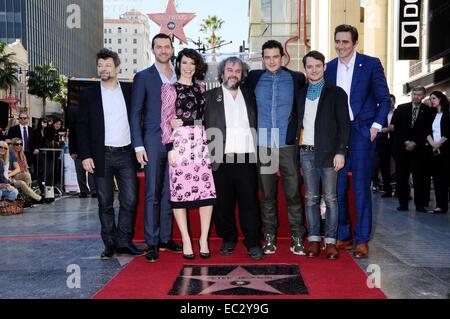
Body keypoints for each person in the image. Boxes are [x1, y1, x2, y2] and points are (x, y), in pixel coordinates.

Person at [325, 24, 390, 259]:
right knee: (337, 188)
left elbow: (384, 99)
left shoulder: (371, 64)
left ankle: (362, 240)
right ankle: (344, 235)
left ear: (354, 43)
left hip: (362, 133)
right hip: (336, 137)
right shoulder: (328, 68)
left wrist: (375, 127)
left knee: (362, 188)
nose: (340, 46)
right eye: (337, 41)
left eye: (345, 42)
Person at [77, 48, 143, 259]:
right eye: (100, 65)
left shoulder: (130, 90)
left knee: (130, 200)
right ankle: (109, 243)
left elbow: (140, 118)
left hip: (126, 154)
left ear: (117, 67)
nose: (103, 69)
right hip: (101, 155)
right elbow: (81, 126)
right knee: (104, 202)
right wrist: (85, 155)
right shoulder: (89, 94)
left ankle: (124, 241)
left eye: (107, 65)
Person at [287, 51, 350, 260]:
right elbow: (296, 122)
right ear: (305, 69)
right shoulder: (301, 93)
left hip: (330, 154)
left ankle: (330, 242)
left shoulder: (337, 93)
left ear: (324, 67)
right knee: (311, 198)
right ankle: (314, 239)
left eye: (317, 66)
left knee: (331, 199)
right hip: (306, 153)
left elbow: (344, 125)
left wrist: (341, 151)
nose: (313, 70)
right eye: (309, 66)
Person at [246, 40, 307, 256]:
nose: (271, 61)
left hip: (287, 143)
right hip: (263, 142)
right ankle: (269, 236)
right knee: (268, 194)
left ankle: (297, 236)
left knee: (293, 194)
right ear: (263, 58)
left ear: (283, 57)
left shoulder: (296, 79)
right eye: (267, 57)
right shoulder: (253, 78)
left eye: (275, 57)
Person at [204, 56, 264, 260]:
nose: (233, 74)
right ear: (222, 73)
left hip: (246, 157)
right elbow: (197, 123)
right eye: (229, 70)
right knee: (224, 203)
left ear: (242, 74)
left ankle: (253, 242)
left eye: (237, 71)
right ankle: (228, 239)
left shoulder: (249, 95)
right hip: (220, 157)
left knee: (249, 202)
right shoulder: (210, 96)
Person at [130, 33, 182, 263]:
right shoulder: (143, 77)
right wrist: (138, 145)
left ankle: (164, 237)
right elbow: (135, 114)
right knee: (152, 192)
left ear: (172, 49)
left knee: (170, 192)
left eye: (166, 47)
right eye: (159, 47)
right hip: (152, 140)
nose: (163, 50)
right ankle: (151, 242)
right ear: (153, 50)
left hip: (177, 142)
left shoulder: (179, 76)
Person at [161, 49, 216, 260]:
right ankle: (185, 239)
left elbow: (208, 117)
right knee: (179, 193)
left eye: (192, 63)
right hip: (180, 142)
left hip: (201, 142)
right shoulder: (169, 88)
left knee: (206, 192)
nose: (188, 67)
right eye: (185, 62)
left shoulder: (202, 88)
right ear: (178, 64)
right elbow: (164, 120)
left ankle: (203, 239)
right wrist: (170, 148)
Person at [391, 86, 431, 213]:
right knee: (402, 178)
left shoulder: (428, 111)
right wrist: (406, 141)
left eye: (419, 95)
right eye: (414, 94)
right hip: (402, 149)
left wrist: (415, 142)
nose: (416, 97)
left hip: (418, 151)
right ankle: (403, 203)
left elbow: (427, 130)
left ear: (424, 96)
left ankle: (419, 204)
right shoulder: (402, 109)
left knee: (419, 178)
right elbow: (396, 127)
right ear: (411, 95)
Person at [426, 91, 449, 214]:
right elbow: (427, 131)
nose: (432, 101)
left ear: (440, 99)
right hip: (434, 150)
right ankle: (440, 206)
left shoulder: (448, 113)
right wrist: (432, 144)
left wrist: (438, 144)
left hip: (445, 149)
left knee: (445, 178)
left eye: (434, 98)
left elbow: (448, 133)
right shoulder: (432, 114)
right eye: (430, 99)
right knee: (437, 179)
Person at [8, 138, 44, 204]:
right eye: (17, 144)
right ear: (13, 145)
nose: (19, 146)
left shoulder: (22, 154)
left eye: (20, 144)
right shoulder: (11, 155)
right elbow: (12, 169)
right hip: (14, 175)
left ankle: (30, 197)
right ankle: (33, 197)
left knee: (30, 175)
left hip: (22, 174)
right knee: (27, 175)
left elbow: (26, 166)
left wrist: (26, 171)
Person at [375, 94, 396, 198]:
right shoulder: (380, 114)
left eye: (391, 101)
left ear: (394, 102)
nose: (389, 103)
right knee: (384, 168)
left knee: (400, 168)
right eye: (388, 101)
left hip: (396, 143)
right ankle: (387, 190)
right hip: (383, 144)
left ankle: (401, 191)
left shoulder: (398, 113)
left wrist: (390, 129)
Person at [68, 120, 96, 198]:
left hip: (91, 151)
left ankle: (94, 190)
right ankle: (83, 191)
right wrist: (72, 151)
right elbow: (71, 137)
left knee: (92, 171)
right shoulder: (74, 122)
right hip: (77, 151)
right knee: (80, 172)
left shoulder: (93, 121)